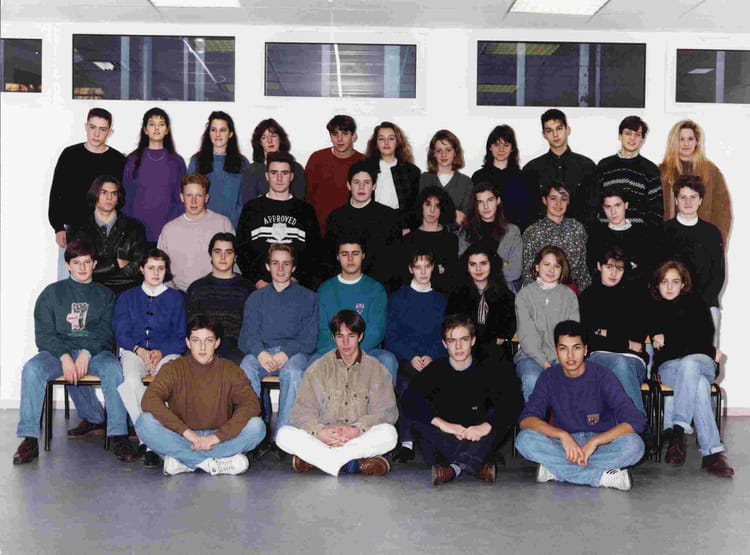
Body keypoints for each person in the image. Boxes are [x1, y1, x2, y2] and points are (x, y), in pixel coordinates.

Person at [13, 240, 137, 465]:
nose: (82, 267)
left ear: (94, 264)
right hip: (59, 352)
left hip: (95, 352)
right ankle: (29, 439)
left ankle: (119, 435)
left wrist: (86, 353)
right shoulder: (51, 293)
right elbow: (44, 335)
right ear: (67, 265)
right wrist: (65, 358)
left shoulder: (105, 295)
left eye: (87, 262)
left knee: (113, 369)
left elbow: (106, 331)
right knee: (32, 369)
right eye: (76, 262)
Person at [515, 320, 646, 491]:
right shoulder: (549, 376)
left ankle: (556, 470)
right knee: (524, 439)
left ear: (585, 350)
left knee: (635, 445)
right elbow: (526, 419)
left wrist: (595, 441)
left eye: (576, 348)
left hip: (601, 444)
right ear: (556, 351)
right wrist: (562, 435)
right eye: (563, 349)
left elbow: (636, 420)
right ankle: (600, 477)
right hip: (564, 446)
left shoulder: (602, 375)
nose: (570, 355)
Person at [136, 314, 265, 476]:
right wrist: (187, 433)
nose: (202, 347)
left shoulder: (230, 369)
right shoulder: (173, 368)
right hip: (183, 437)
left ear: (217, 343)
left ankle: (185, 462)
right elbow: (149, 399)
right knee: (144, 422)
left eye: (208, 341)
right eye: (196, 340)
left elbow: (251, 404)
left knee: (257, 426)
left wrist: (216, 437)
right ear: (188, 342)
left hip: (220, 438)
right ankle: (213, 464)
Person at [403, 314, 523, 485]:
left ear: (473, 340)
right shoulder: (435, 370)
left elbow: (512, 401)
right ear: (444, 344)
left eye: (464, 339)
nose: (458, 347)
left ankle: (453, 470)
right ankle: (476, 465)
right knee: (420, 423)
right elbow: (409, 399)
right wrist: (444, 425)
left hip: (477, 435)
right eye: (452, 341)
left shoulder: (489, 368)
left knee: (500, 423)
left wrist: (486, 426)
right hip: (446, 436)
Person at [275, 310, 398, 477]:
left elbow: (386, 412)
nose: (345, 343)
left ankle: (321, 460)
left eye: (351, 336)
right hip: (324, 438)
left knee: (389, 434)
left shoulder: (376, 369)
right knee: (283, 434)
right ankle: (350, 463)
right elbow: (301, 412)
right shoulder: (318, 368)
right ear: (334, 338)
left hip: (358, 437)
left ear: (360, 336)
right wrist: (319, 432)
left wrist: (356, 429)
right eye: (340, 336)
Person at [648, 260, 733, 478]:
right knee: (700, 387)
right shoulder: (652, 308)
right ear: (657, 284)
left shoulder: (697, 304)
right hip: (670, 368)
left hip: (700, 362)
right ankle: (712, 454)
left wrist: (670, 339)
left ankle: (677, 430)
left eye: (675, 282)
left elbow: (702, 342)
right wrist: (687, 341)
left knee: (690, 363)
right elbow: (694, 342)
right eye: (664, 282)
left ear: (683, 284)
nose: (669, 287)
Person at [239, 244, 317, 455]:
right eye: (275, 263)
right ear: (268, 266)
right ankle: (252, 434)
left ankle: (283, 437)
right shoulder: (256, 298)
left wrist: (286, 353)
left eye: (286, 264)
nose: (280, 269)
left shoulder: (308, 297)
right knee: (246, 366)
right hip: (264, 353)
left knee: (293, 371)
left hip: (294, 353)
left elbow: (309, 338)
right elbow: (247, 336)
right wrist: (260, 352)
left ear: (293, 267)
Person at [113, 249, 186, 468]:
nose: (156, 273)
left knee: (164, 383)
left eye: (161, 268)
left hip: (166, 352)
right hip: (134, 351)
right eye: (151, 268)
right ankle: (149, 441)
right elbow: (121, 333)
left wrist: (161, 352)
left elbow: (181, 336)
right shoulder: (127, 297)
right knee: (130, 382)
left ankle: (159, 438)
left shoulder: (176, 298)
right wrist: (139, 350)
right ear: (141, 269)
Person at [48, 108, 126, 278]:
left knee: (101, 280)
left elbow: (120, 198)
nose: (96, 134)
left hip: (104, 231)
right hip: (72, 228)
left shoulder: (117, 160)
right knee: (69, 281)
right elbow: (56, 193)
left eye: (102, 129)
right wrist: (58, 227)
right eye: (92, 127)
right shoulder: (70, 155)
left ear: (110, 132)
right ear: (86, 126)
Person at [385, 250, 447, 462]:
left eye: (427, 266)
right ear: (411, 269)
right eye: (418, 267)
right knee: (405, 384)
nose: (423, 272)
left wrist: (430, 356)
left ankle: (437, 439)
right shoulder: (397, 298)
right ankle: (407, 443)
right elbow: (391, 336)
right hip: (406, 359)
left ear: (433, 268)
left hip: (434, 358)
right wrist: (411, 356)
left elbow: (444, 336)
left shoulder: (440, 300)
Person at [315, 238, 398, 385]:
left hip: (367, 351)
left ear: (363, 255)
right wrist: (341, 353)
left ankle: (382, 401)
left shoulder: (375, 290)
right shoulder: (325, 290)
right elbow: (322, 330)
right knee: (310, 365)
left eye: (355, 253)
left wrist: (354, 352)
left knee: (388, 360)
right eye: (344, 254)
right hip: (332, 350)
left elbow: (376, 331)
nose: (350, 259)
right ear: (338, 256)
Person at [579, 247, 649, 417]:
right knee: (619, 364)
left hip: (634, 361)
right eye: (609, 267)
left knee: (621, 365)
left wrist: (606, 333)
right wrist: (625, 342)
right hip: (600, 357)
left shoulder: (635, 297)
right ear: (599, 266)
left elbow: (638, 337)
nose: (614, 273)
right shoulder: (587, 297)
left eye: (619, 269)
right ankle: (638, 423)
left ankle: (632, 423)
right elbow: (590, 338)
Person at [236, 151, 322, 289]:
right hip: (259, 288)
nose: (279, 178)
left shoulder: (305, 210)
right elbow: (242, 250)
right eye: (274, 173)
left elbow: (315, 253)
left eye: (284, 173)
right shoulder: (251, 208)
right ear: (267, 176)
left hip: (296, 289)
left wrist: (301, 284)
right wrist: (257, 281)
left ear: (291, 176)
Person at [662, 175, 725, 341]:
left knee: (705, 353)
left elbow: (718, 275)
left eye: (693, 197)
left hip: (704, 305)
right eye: (683, 197)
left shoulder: (712, 233)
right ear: (676, 200)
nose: (688, 202)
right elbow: (658, 273)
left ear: (700, 200)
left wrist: (699, 305)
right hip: (670, 304)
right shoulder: (663, 231)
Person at [514, 246, 580, 401]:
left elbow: (572, 334)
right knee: (532, 378)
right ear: (537, 267)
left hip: (563, 356)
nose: (551, 270)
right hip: (530, 356)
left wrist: (559, 361)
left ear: (562, 270)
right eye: (546, 264)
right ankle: (534, 417)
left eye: (557, 266)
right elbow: (527, 335)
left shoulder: (569, 296)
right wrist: (544, 363)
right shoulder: (524, 295)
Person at [324, 160, 401, 288]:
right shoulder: (335, 217)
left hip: (379, 287)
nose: (361, 187)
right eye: (356, 182)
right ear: (348, 185)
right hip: (343, 286)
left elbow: (394, 262)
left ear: (374, 185)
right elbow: (329, 259)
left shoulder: (389, 217)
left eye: (366, 182)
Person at [67, 174, 147, 295]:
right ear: (94, 194)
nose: (109, 197)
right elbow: (77, 267)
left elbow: (139, 267)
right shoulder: (78, 228)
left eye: (114, 193)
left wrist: (97, 267)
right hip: (90, 291)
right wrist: (115, 263)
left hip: (126, 291)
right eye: (104, 192)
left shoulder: (135, 227)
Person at [157, 174, 234, 292]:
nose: (194, 201)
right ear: (182, 197)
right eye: (189, 195)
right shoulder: (169, 230)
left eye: (199, 195)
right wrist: (174, 293)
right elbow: (160, 266)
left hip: (216, 292)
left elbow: (234, 262)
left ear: (206, 198)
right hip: (179, 293)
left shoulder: (222, 223)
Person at [186, 233, 254, 364]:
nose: (223, 257)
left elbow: (251, 328)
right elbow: (191, 326)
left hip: (236, 348)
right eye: (218, 252)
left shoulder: (247, 289)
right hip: (202, 344)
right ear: (210, 255)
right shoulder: (197, 288)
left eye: (228, 252)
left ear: (235, 257)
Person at [522, 109, 597, 230]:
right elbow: (528, 210)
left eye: (559, 128)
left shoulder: (587, 167)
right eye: (549, 131)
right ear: (544, 135)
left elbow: (593, 208)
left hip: (580, 236)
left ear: (568, 130)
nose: (555, 135)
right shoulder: (531, 169)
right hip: (541, 236)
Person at [660, 119, 732, 242]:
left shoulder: (711, 172)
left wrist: (717, 242)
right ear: (674, 142)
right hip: (669, 240)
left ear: (697, 142)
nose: (686, 144)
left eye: (690, 139)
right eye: (681, 139)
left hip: (702, 241)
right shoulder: (661, 173)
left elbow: (723, 212)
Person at [122, 107, 186, 243]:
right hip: (137, 233)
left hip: (169, 231)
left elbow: (181, 199)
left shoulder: (177, 161)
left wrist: (172, 226)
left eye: (161, 124)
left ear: (167, 130)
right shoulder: (133, 160)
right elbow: (126, 198)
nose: (157, 128)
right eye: (152, 124)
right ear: (145, 130)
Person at [448, 243, 516, 364]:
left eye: (483, 263)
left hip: (497, 355)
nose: (478, 269)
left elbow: (506, 331)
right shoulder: (456, 295)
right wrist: (490, 338)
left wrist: (479, 336)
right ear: (466, 267)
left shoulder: (506, 296)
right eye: (473, 264)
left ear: (491, 265)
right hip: (464, 353)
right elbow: (454, 329)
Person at [596, 115, 662, 233]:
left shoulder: (651, 170)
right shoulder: (603, 166)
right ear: (620, 136)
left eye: (637, 134)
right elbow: (594, 203)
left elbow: (656, 212)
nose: (632, 138)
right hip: (606, 234)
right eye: (628, 133)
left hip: (639, 236)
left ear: (642, 139)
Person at [521, 182, 590, 291]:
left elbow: (583, 270)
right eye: (553, 198)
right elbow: (528, 273)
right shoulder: (532, 232)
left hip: (572, 291)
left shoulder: (577, 228)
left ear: (568, 201)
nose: (558, 204)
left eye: (563, 199)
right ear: (544, 200)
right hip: (542, 291)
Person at [187, 111, 250, 229]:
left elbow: (245, 200)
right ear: (209, 133)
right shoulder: (197, 161)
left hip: (232, 227)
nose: (217, 134)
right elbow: (189, 198)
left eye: (222, 130)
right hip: (202, 226)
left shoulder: (242, 163)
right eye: (213, 130)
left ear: (230, 134)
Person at [305, 115, 365, 233]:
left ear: (354, 136)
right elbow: (306, 196)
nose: (339, 139)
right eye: (334, 134)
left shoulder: (363, 162)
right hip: (319, 229)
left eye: (344, 134)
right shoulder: (317, 158)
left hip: (353, 230)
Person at [459, 182, 523, 291]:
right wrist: (501, 263)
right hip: (472, 292)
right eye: (480, 202)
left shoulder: (512, 232)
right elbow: (462, 269)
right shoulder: (466, 231)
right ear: (475, 205)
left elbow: (515, 272)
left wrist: (480, 272)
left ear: (498, 200)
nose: (486, 206)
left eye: (490, 200)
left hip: (503, 292)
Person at [586, 185, 655, 286]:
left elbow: (647, 269)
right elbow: (593, 269)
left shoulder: (643, 234)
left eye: (617, 205)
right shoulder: (596, 235)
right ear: (603, 208)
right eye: (608, 206)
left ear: (626, 205)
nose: (613, 212)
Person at [399, 185, 460, 294]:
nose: (432, 210)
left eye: (437, 206)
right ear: (421, 206)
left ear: (442, 209)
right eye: (428, 204)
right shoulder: (409, 239)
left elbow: (452, 279)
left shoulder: (451, 240)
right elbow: (405, 277)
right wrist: (438, 270)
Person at [472, 124, 535, 230]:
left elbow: (528, 211)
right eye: (496, 145)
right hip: (485, 230)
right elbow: (474, 209)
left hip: (517, 232)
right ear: (490, 147)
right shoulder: (479, 177)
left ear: (512, 148)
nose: (501, 149)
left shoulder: (524, 178)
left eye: (506, 145)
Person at [365, 121, 421, 232]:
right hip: (370, 223)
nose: (386, 143)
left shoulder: (411, 171)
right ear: (376, 143)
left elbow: (415, 205)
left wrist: (407, 227)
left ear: (398, 142)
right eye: (381, 139)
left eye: (391, 138)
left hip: (399, 225)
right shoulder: (365, 168)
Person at [243, 118, 307, 202]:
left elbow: (299, 200)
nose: (269, 141)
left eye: (273, 136)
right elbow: (248, 202)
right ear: (259, 143)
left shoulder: (296, 168)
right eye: (264, 138)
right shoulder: (252, 170)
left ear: (280, 139)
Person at [418, 129, 473, 225]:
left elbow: (465, 218)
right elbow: (418, 213)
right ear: (433, 153)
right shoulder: (424, 179)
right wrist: (453, 213)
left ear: (455, 152)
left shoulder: (466, 182)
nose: (444, 154)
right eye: (439, 150)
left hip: (455, 233)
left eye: (448, 150)